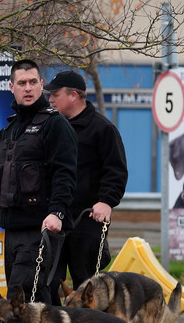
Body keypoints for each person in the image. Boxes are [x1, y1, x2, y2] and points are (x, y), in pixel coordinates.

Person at [0, 59, 78, 304]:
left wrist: (57, 212)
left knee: (23, 303)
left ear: (41, 85)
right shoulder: (5, 135)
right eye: (22, 83)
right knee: (35, 304)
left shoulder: (55, 125)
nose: (28, 88)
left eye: (33, 82)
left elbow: (65, 174)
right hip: (13, 231)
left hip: (42, 230)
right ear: (11, 87)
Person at [44, 70, 128, 304]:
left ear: (73, 95)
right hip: (56, 218)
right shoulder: (52, 127)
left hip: (87, 221)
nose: (50, 99)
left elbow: (117, 170)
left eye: (55, 94)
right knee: (48, 282)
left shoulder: (102, 129)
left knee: (88, 287)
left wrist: (106, 201)